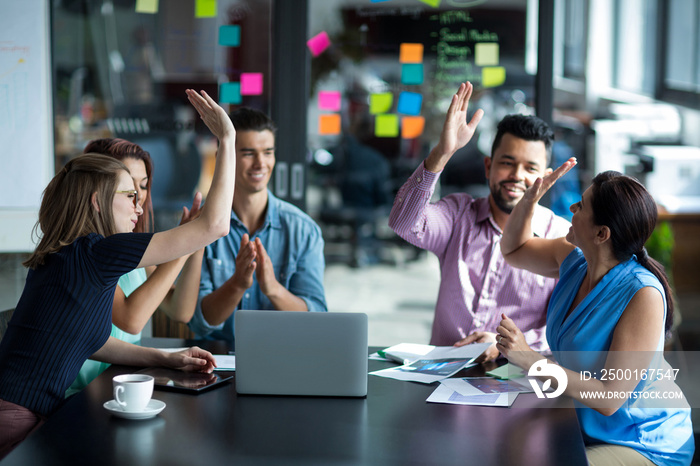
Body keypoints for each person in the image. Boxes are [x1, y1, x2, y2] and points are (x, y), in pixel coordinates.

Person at [0, 89, 234, 458]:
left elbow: (89, 340)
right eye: (129, 195)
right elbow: (215, 225)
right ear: (97, 202)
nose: (139, 206)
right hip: (17, 419)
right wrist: (227, 139)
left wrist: (165, 358)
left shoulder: (66, 254)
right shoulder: (97, 252)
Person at [496, 163, 694, 465]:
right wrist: (528, 200)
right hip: (587, 429)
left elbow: (610, 398)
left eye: (582, 205)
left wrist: (529, 358)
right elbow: (514, 249)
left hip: (643, 440)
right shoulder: (575, 261)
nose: (572, 206)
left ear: (601, 233)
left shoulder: (643, 295)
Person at [388, 82, 570, 361]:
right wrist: (443, 153)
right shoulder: (459, 215)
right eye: (507, 163)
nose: (517, 176)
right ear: (488, 167)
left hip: (515, 379)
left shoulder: (560, 238)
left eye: (530, 168)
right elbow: (403, 222)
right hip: (441, 374)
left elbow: (568, 330)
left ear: (544, 178)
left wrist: (507, 346)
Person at [65, 138, 205, 397]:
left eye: (143, 185)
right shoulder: (87, 250)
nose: (138, 195)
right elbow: (131, 319)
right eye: (127, 184)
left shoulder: (133, 250)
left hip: (122, 386)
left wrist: (196, 245)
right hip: (83, 393)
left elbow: (180, 310)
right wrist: (189, 239)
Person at [188, 107, 327, 346]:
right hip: (216, 363)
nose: (260, 163)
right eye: (249, 153)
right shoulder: (203, 226)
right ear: (225, 156)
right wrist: (237, 284)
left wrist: (273, 288)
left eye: (268, 152)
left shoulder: (303, 230)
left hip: (285, 357)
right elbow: (200, 322)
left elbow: (316, 319)